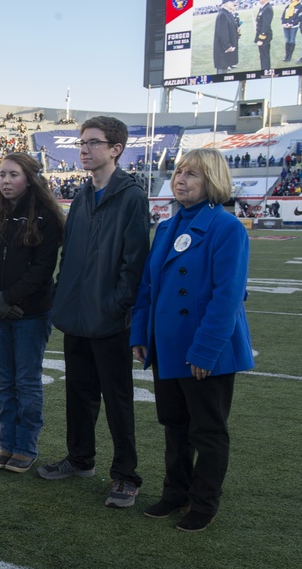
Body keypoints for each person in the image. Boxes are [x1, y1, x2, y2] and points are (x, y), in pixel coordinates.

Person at [131, 148, 254, 532]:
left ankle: (204, 503)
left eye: (193, 175)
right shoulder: (167, 226)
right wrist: (140, 333)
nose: (180, 179)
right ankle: (175, 492)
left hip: (205, 351)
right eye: (179, 172)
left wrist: (205, 350)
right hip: (167, 347)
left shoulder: (226, 227)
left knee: (208, 431)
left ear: (212, 182)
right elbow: (148, 286)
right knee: (175, 426)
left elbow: (227, 297)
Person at [38, 116, 150, 510]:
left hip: (109, 318)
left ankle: (125, 476)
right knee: (78, 393)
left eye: (93, 143)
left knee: (118, 401)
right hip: (76, 313)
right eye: (82, 143)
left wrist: (117, 305)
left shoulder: (132, 195)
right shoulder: (84, 193)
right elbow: (71, 253)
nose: (83, 149)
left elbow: (134, 261)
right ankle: (80, 459)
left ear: (115, 149)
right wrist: (63, 293)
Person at [0, 153, 64, 473]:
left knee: (26, 381)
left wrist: (9, 298)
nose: (5, 181)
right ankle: (6, 443)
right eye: (1, 175)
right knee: (4, 381)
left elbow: (42, 269)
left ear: (30, 179)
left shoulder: (47, 218)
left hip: (31, 313)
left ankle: (25, 446)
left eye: (12, 175)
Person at [214, 1, 240, 74]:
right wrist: (227, 46)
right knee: (222, 71)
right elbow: (222, 32)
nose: (233, 4)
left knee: (224, 69)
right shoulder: (222, 15)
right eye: (231, 2)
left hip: (227, 49)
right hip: (223, 50)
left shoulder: (227, 14)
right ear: (226, 4)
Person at [255, 0, 275, 69]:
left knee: (265, 56)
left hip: (264, 37)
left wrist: (261, 39)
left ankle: (265, 71)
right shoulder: (263, 7)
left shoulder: (268, 8)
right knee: (262, 55)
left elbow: (266, 25)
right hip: (260, 35)